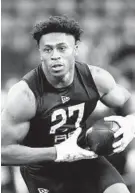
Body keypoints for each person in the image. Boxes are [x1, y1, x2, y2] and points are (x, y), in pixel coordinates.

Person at [1, 15, 135, 193]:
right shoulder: (25, 95)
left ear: (76, 49)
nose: (55, 56)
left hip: (85, 157)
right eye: (48, 50)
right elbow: (3, 152)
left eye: (62, 48)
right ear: (40, 53)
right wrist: (58, 152)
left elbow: (126, 100)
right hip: (43, 170)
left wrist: (131, 123)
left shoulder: (95, 78)